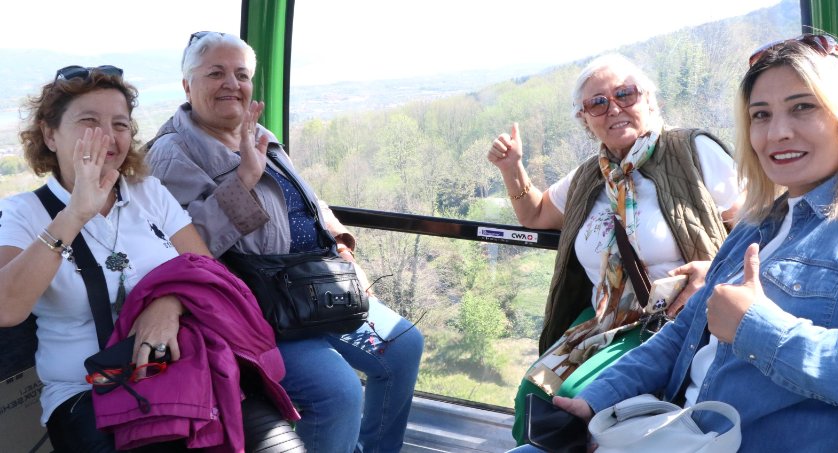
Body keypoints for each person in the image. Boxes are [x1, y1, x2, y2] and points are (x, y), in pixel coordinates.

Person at [514, 33, 838, 452]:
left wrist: (758, 329)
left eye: (803, 107)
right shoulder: (758, 225)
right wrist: (595, 402)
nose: (778, 133)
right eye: (761, 114)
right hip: (679, 428)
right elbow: (683, 333)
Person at [145, 31, 424, 453]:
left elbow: (306, 199)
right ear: (187, 85)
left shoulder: (258, 132)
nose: (231, 84)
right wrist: (244, 179)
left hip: (315, 288)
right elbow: (185, 247)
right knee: (339, 394)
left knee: (403, 346)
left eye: (241, 75)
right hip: (261, 309)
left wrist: (342, 246)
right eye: (216, 73)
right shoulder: (173, 153)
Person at [0, 66, 297, 451]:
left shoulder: (149, 194)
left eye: (120, 124)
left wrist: (167, 304)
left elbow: (206, 272)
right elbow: (6, 308)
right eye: (89, 121)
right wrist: (74, 215)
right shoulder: (24, 213)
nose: (107, 136)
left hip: (182, 371)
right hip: (86, 391)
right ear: (49, 134)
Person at [487, 53, 742, 444]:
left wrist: (713, 273)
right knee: (533, 391)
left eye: (625, 94)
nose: (614, 108)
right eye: (598, 103)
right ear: (585, 120)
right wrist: (511, 168)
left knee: (571, 399)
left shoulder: (692, 152)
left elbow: (759, 226)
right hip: (604, 319)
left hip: (673, 320)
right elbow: (535, 214)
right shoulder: (589, 176)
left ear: (650, 100)